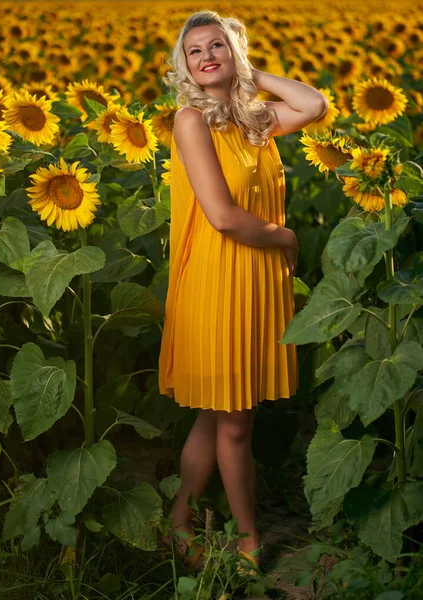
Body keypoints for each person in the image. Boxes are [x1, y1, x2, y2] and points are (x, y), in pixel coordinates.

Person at [158, 9, 329, 571]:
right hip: (218, 275)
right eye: (194, 51)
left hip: (254, 279)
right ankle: (249, 539)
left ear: (235, 55)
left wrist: (251, 75)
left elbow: (313, 106)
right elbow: (224, 217)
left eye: (218, 47)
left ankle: (179, 522)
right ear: (183, 66)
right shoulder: (191, 121)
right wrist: (284, 234)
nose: (206, 57)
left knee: (217, 414)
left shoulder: (253, 120)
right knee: (234, 420)